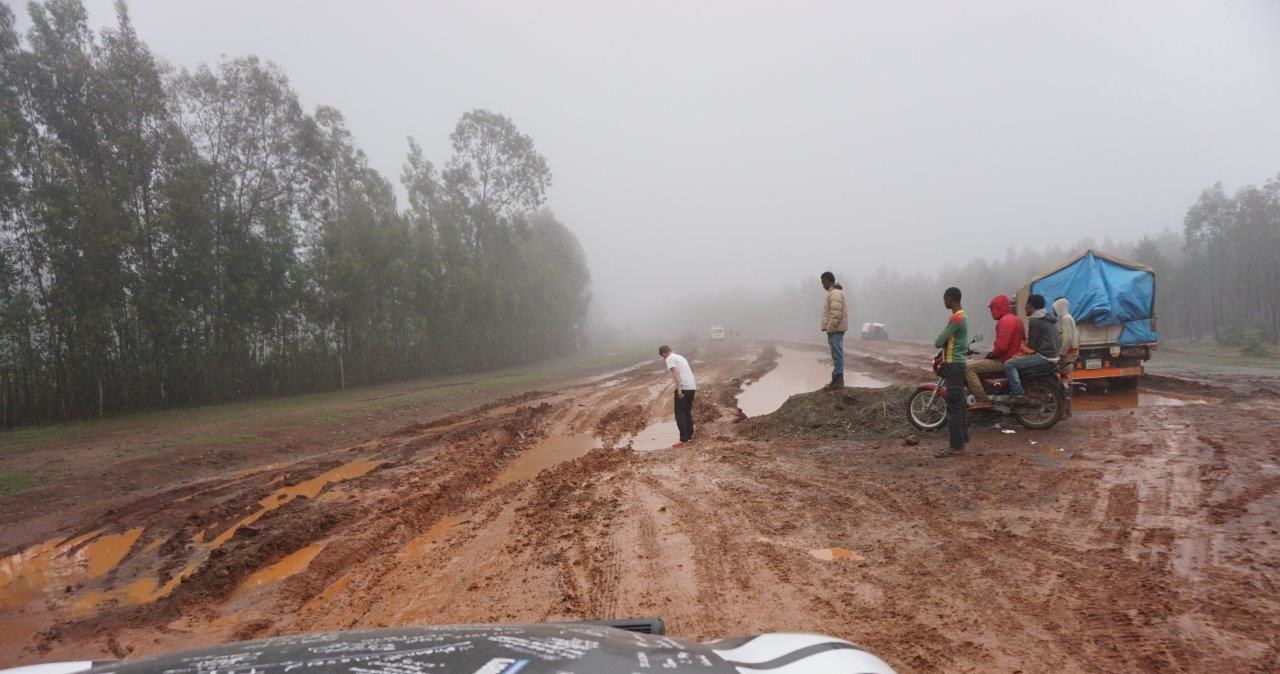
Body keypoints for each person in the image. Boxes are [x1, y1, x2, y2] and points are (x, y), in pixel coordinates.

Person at [963, 294, 1026, 407]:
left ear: (998, 307)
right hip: (1015, 357)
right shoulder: (1016, 320)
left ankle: (982, 399)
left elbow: (1002, 347)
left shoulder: (1005, 321)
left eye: (992, 309)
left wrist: (992, 354)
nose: (991, 312)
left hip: (1004, 360)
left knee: (968, 369)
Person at [1002, 294, 1059, 402]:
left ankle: (1017, 393)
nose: (1025, 308)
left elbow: (1031, 346)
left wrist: (1021, 348)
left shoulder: (1035, 321)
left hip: (1044, 357)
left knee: (1009, 364)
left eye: (1026, 305)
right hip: (1054, 356)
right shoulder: (1049, 318)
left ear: (1030, 305)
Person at [933, 287, 969, 458]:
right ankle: (962, 439)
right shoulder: (964, 315)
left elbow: (939, 341)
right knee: (959, 403)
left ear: (951, 298)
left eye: (945, 298)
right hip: (959, 364)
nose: (944, 302)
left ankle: (956, 446)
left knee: (953, 405)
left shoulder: (956, 317)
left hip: (953, 365)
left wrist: (941, 340)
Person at [658, 345, 697, 447]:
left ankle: (683, 439)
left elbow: (676, 372)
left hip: (683, 388)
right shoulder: (680, 357)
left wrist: (679, 389)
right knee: (687, 412)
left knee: (678, 413)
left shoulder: (670, 358)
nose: (664, 359)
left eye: (663, 357)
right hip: (692, 387)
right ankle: (689, 435)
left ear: (664, 354)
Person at [819, 271, 848, 389]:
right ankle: (836, 379)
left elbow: (836, 313)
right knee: (836, 354)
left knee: (837, 354)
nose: (822, 285)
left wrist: (830, 328)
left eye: (823, 282)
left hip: (835, 330)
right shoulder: (834, 293)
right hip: (835, 329)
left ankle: (838, 381)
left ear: (827, 281)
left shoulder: (835, 293)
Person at [1053, 297, 1079, 361]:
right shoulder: (1067, 317)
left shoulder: (1065, 319)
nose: (1053, 311)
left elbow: (1067, 338)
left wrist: (1062, 353)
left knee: (1064, 370)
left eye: (1054, 309)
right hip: (1069, 351)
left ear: (1059, 308)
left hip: (1067, 353)